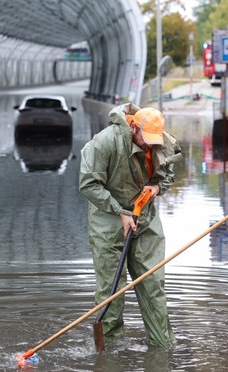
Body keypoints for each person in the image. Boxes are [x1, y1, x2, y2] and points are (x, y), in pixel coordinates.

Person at [78, 104, 182, 346]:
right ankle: (110, 355)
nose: (150, 145)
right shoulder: (105, 142)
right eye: (146, 140)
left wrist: (157, 187)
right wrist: (119, 211)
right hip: (109, 221)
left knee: (153, 285)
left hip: (145, 220)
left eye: (155, 141)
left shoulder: (161, 142)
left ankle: (162, 348)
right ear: (133, 126)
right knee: (111, 294)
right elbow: (88, 184)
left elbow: (167, 173)